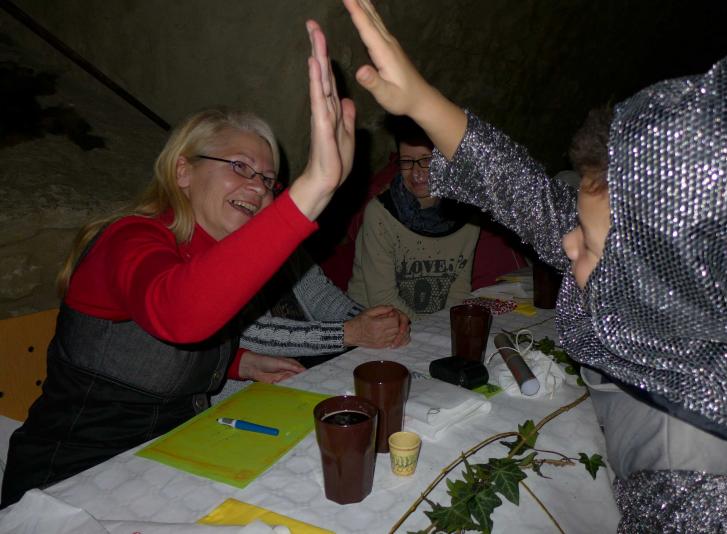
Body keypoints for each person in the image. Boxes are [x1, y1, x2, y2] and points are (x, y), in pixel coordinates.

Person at [342, 0, 727, 531]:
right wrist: (422, 101)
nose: (565, 240)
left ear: (663, 286)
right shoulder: (709, 299)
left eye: (590, 245)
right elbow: (529, 198)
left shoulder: (698, 473)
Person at [0, 19, 356, 509]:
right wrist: (311, 190)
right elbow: (177, 313)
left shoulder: (217, 254)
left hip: (163, 463)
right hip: (71, 482)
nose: (257, 187)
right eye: (239, 166)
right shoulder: (131, 237)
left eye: (268, 179)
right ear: (183, 171)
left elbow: (168, 342)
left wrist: (236, 362)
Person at [214, 248, 410, 400]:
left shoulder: (280, 237)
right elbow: (245, 334)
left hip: (313, 371)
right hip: (246, 393)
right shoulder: (218, 250)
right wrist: (347, 333)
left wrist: (375, 321)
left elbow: (321, 296)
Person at [347, 116, 480, 320]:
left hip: (429, 329)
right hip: (373, 324)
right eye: (407, 161)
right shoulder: (381, 214)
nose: (417, 172)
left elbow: (458, 291)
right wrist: (432, 330)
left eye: (427, 160)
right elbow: (383, 300)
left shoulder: (468, 218)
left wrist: (444, 328)